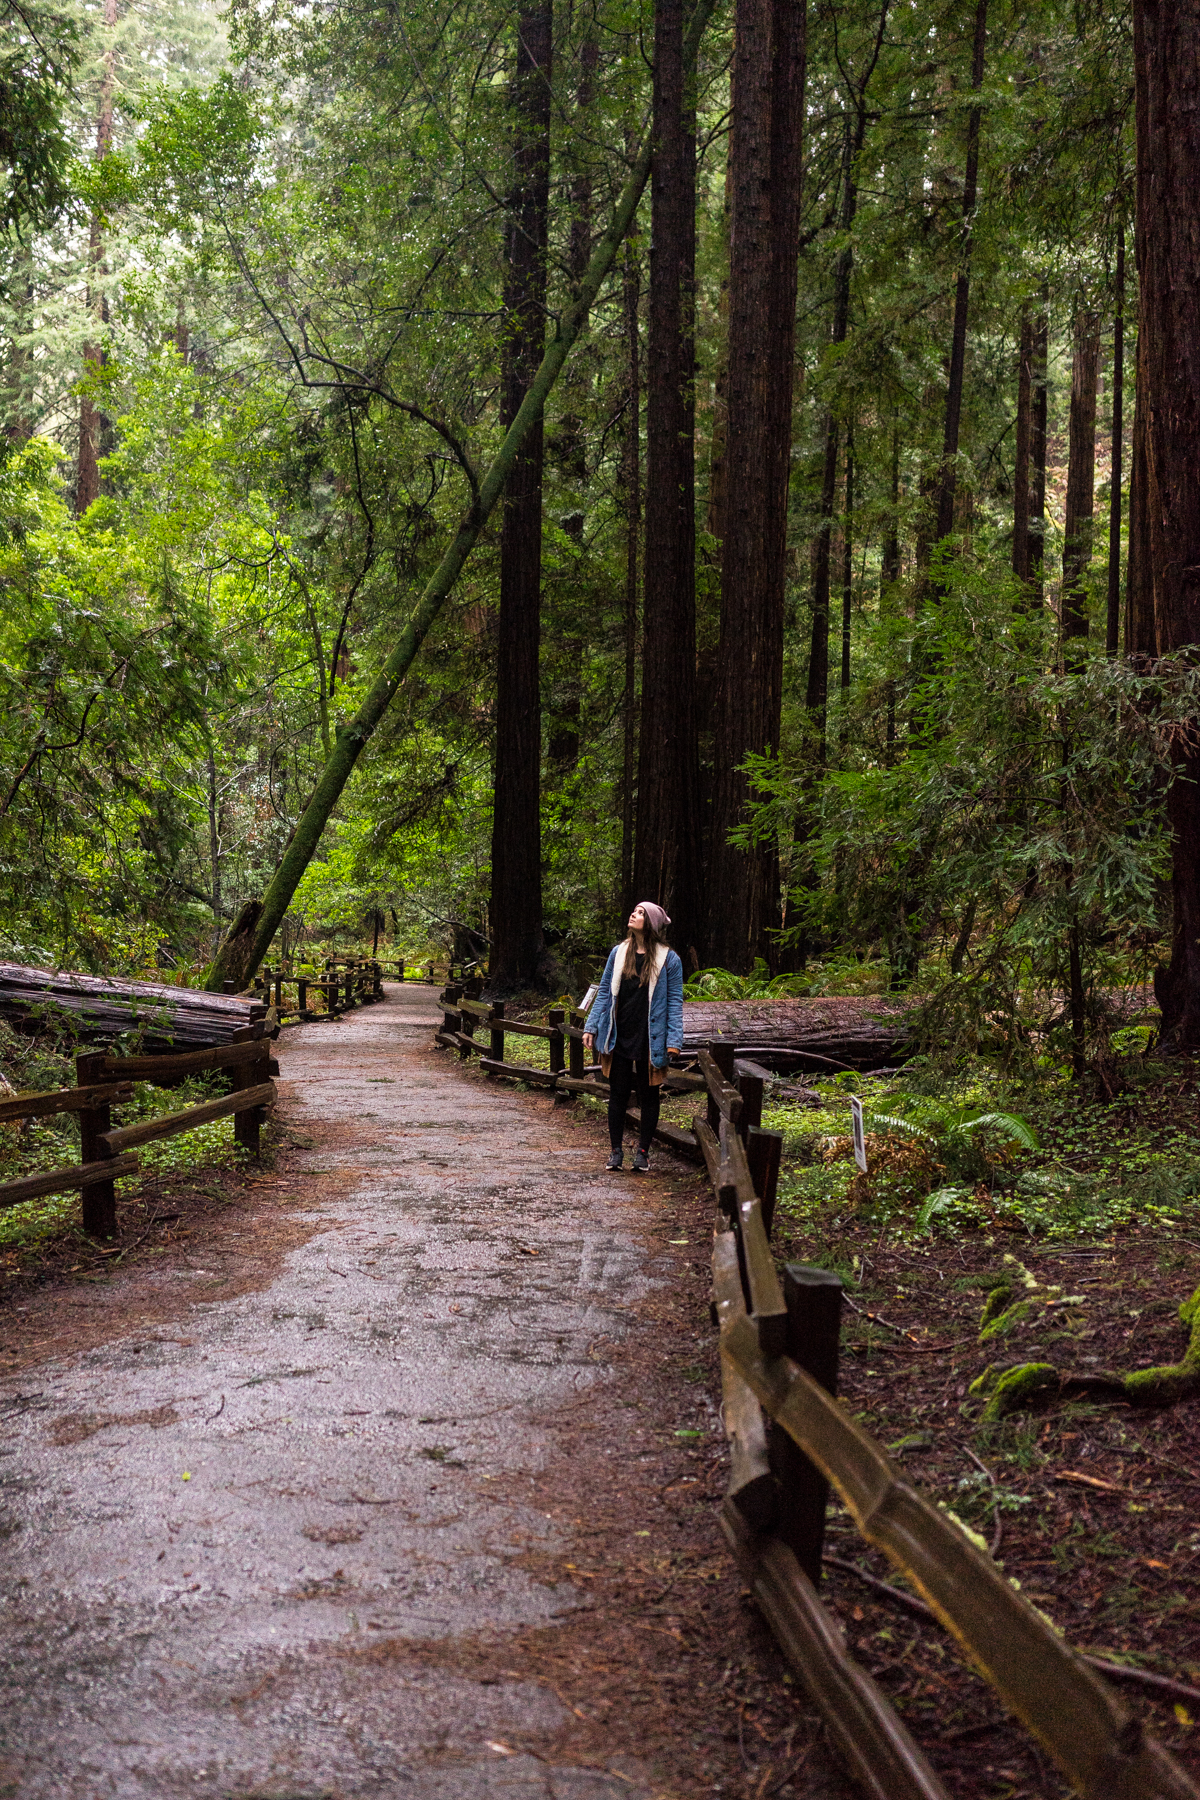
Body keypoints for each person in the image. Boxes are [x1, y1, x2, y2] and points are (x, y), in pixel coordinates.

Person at [583, 901, 684, 1172]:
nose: (633, 914)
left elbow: (675, 1002)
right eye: (634, 910)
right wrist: (591, 1026)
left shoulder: (668, 959)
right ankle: (615, 1152)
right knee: (617, 1093)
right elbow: (605, 991)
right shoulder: (619, 953)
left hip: (650, 1037)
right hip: (618, 1034)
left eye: (640, 913)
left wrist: (674, 1040)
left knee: (649, 1096)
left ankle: (642, 1153)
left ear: (650, 922)